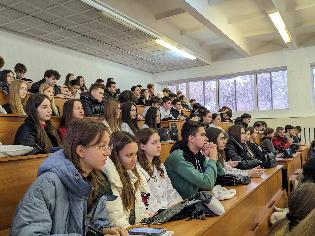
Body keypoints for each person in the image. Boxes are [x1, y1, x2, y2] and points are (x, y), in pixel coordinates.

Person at [11, 119, 127, 236]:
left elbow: (92, 223)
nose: (108, 152)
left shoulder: (97, 180)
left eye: (108, 146)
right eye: (102, 146)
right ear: (81, 151)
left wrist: (104, 230)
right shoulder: (47, 184)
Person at [165, 120, 224, 199]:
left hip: (197, 199)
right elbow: (207, 184)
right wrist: (212, 158)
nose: (206, 138)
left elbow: (221, 175)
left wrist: (213, 157)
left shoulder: (198, 154)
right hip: (182, 204)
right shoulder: (179, 157)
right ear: (191, 138)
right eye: (202, 135)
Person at [103, 131, 150, 228]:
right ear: (115, 156)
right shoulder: (110, 179)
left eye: (135, 154)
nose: (134, 159)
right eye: (129, 155)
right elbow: (116, 220)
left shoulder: (131, 173)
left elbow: (139, 210)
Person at [136, 128, 182, 212]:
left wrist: (178, 207)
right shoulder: (138, 169)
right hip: (155, 214)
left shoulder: (159, 165)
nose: (159, 145)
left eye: (159, 141)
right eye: (154, 143)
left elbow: (170, 191)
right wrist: (167, 211)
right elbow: (149, 202)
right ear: (142, 146)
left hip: (169, 210)